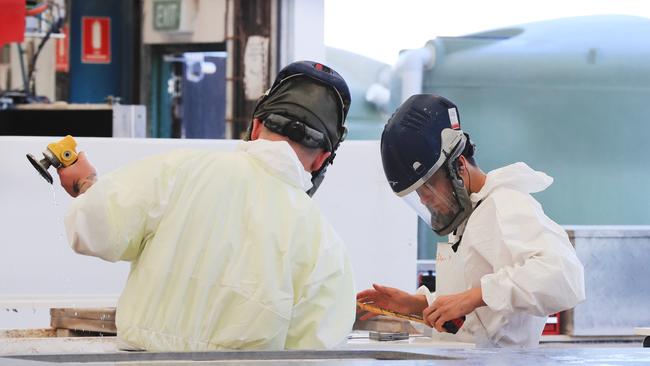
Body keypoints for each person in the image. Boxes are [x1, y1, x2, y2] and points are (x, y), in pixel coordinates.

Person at [57, 61, 356, 351]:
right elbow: (317, 354)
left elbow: (93, 230)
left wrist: (86, 184)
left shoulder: (180, 171)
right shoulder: (325, 248)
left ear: (256, 126)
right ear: (321, 159)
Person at [357, 94, 585, 347]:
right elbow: (478, 317)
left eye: (428, 188)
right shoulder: (471, 217)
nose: (423, 200)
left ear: (459, 167)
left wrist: (475, 296)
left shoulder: (505, 204)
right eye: (417, 193)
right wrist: (417, 305)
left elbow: (564, 277)